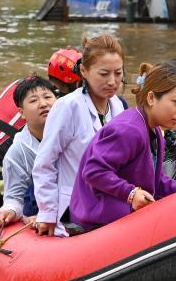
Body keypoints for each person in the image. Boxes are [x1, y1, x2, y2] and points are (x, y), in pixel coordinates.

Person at [0, 48, 82, 207]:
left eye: (47, 97)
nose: (43, 103)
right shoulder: (59, 104)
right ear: (79, 81)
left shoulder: (22, 88)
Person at [69, 63, 176, 230]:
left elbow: (158, 181)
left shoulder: (155, 131)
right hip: (97, 215)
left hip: (122, 207)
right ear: (151, 98)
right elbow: (93, 171)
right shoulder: (129, 129)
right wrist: (131, 194)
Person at [33, 34, 129, 237]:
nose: (112, 81)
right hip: (75, 207)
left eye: (118, 73)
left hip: (111, 199)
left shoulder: (118, 106)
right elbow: (44, 163)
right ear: (84, 71)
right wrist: (48, 213)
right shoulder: (67, 107)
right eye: (104, 74)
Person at [0, 76, 57, 227]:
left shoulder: (76, 133)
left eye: (48, 97)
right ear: (22, 113)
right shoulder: (17, 152)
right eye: (33, 100)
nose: (43, 104)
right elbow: (14, 197)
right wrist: (10, 211)